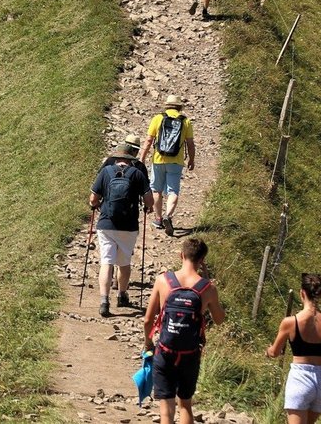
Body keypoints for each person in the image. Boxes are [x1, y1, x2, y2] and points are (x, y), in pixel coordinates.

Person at [143, 237, 225, 424]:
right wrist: (210, 286)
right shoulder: (208, 288)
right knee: (185, 404)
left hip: (165, 351)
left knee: (166, 408)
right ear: (202, 260)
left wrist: (148, 343)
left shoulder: (163, 280)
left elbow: (148, 320)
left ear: (181, 255)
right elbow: (219, 319)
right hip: (190, 353)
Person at [267, 273, 321, 422]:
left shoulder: (290, 322)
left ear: (302, 293)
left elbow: (275, 352)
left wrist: (268, 350)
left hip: (300, 378)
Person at [90, 141, 154, 316]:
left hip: (106, 224)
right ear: (131, 158)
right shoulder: (137, 173)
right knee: (124, 263)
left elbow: (93, 199)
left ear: (117, 157)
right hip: (129, 225)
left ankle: (104, 301)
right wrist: (148, 208)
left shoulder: (105, 172)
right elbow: (149, 200)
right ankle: (121, 295)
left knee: (107, 262)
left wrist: (96, 205)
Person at [138, 95, 195, 236]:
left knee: (156, 190)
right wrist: (191, 160)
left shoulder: (158, 118)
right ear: (179, 107)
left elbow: (149, 140)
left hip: (158, 159)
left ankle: (158, 219)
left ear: (167, 106)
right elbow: (190, 144)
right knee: (173, 191)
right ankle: (168, 216)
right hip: (176, 161)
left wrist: (142, 158)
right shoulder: (185, 121)